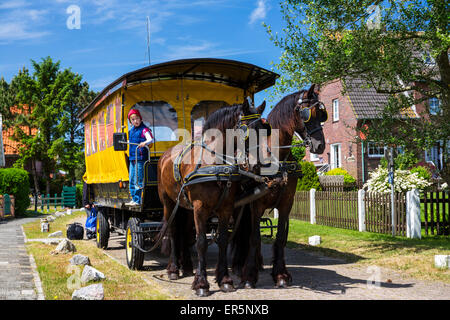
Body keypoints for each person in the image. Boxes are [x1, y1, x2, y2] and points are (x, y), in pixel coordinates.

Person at [126, 108, 154, 206]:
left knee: (138, 180)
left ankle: (138, 200)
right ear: (130, 121)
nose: (135, 121)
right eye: (133, 119)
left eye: (137, 118)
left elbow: (151, 139)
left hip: (141, 159)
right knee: (132, 179)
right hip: (133, 159)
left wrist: (144, 143)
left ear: (140, 119)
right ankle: (134, 198)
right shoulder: (131, 131)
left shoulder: (144, 129)